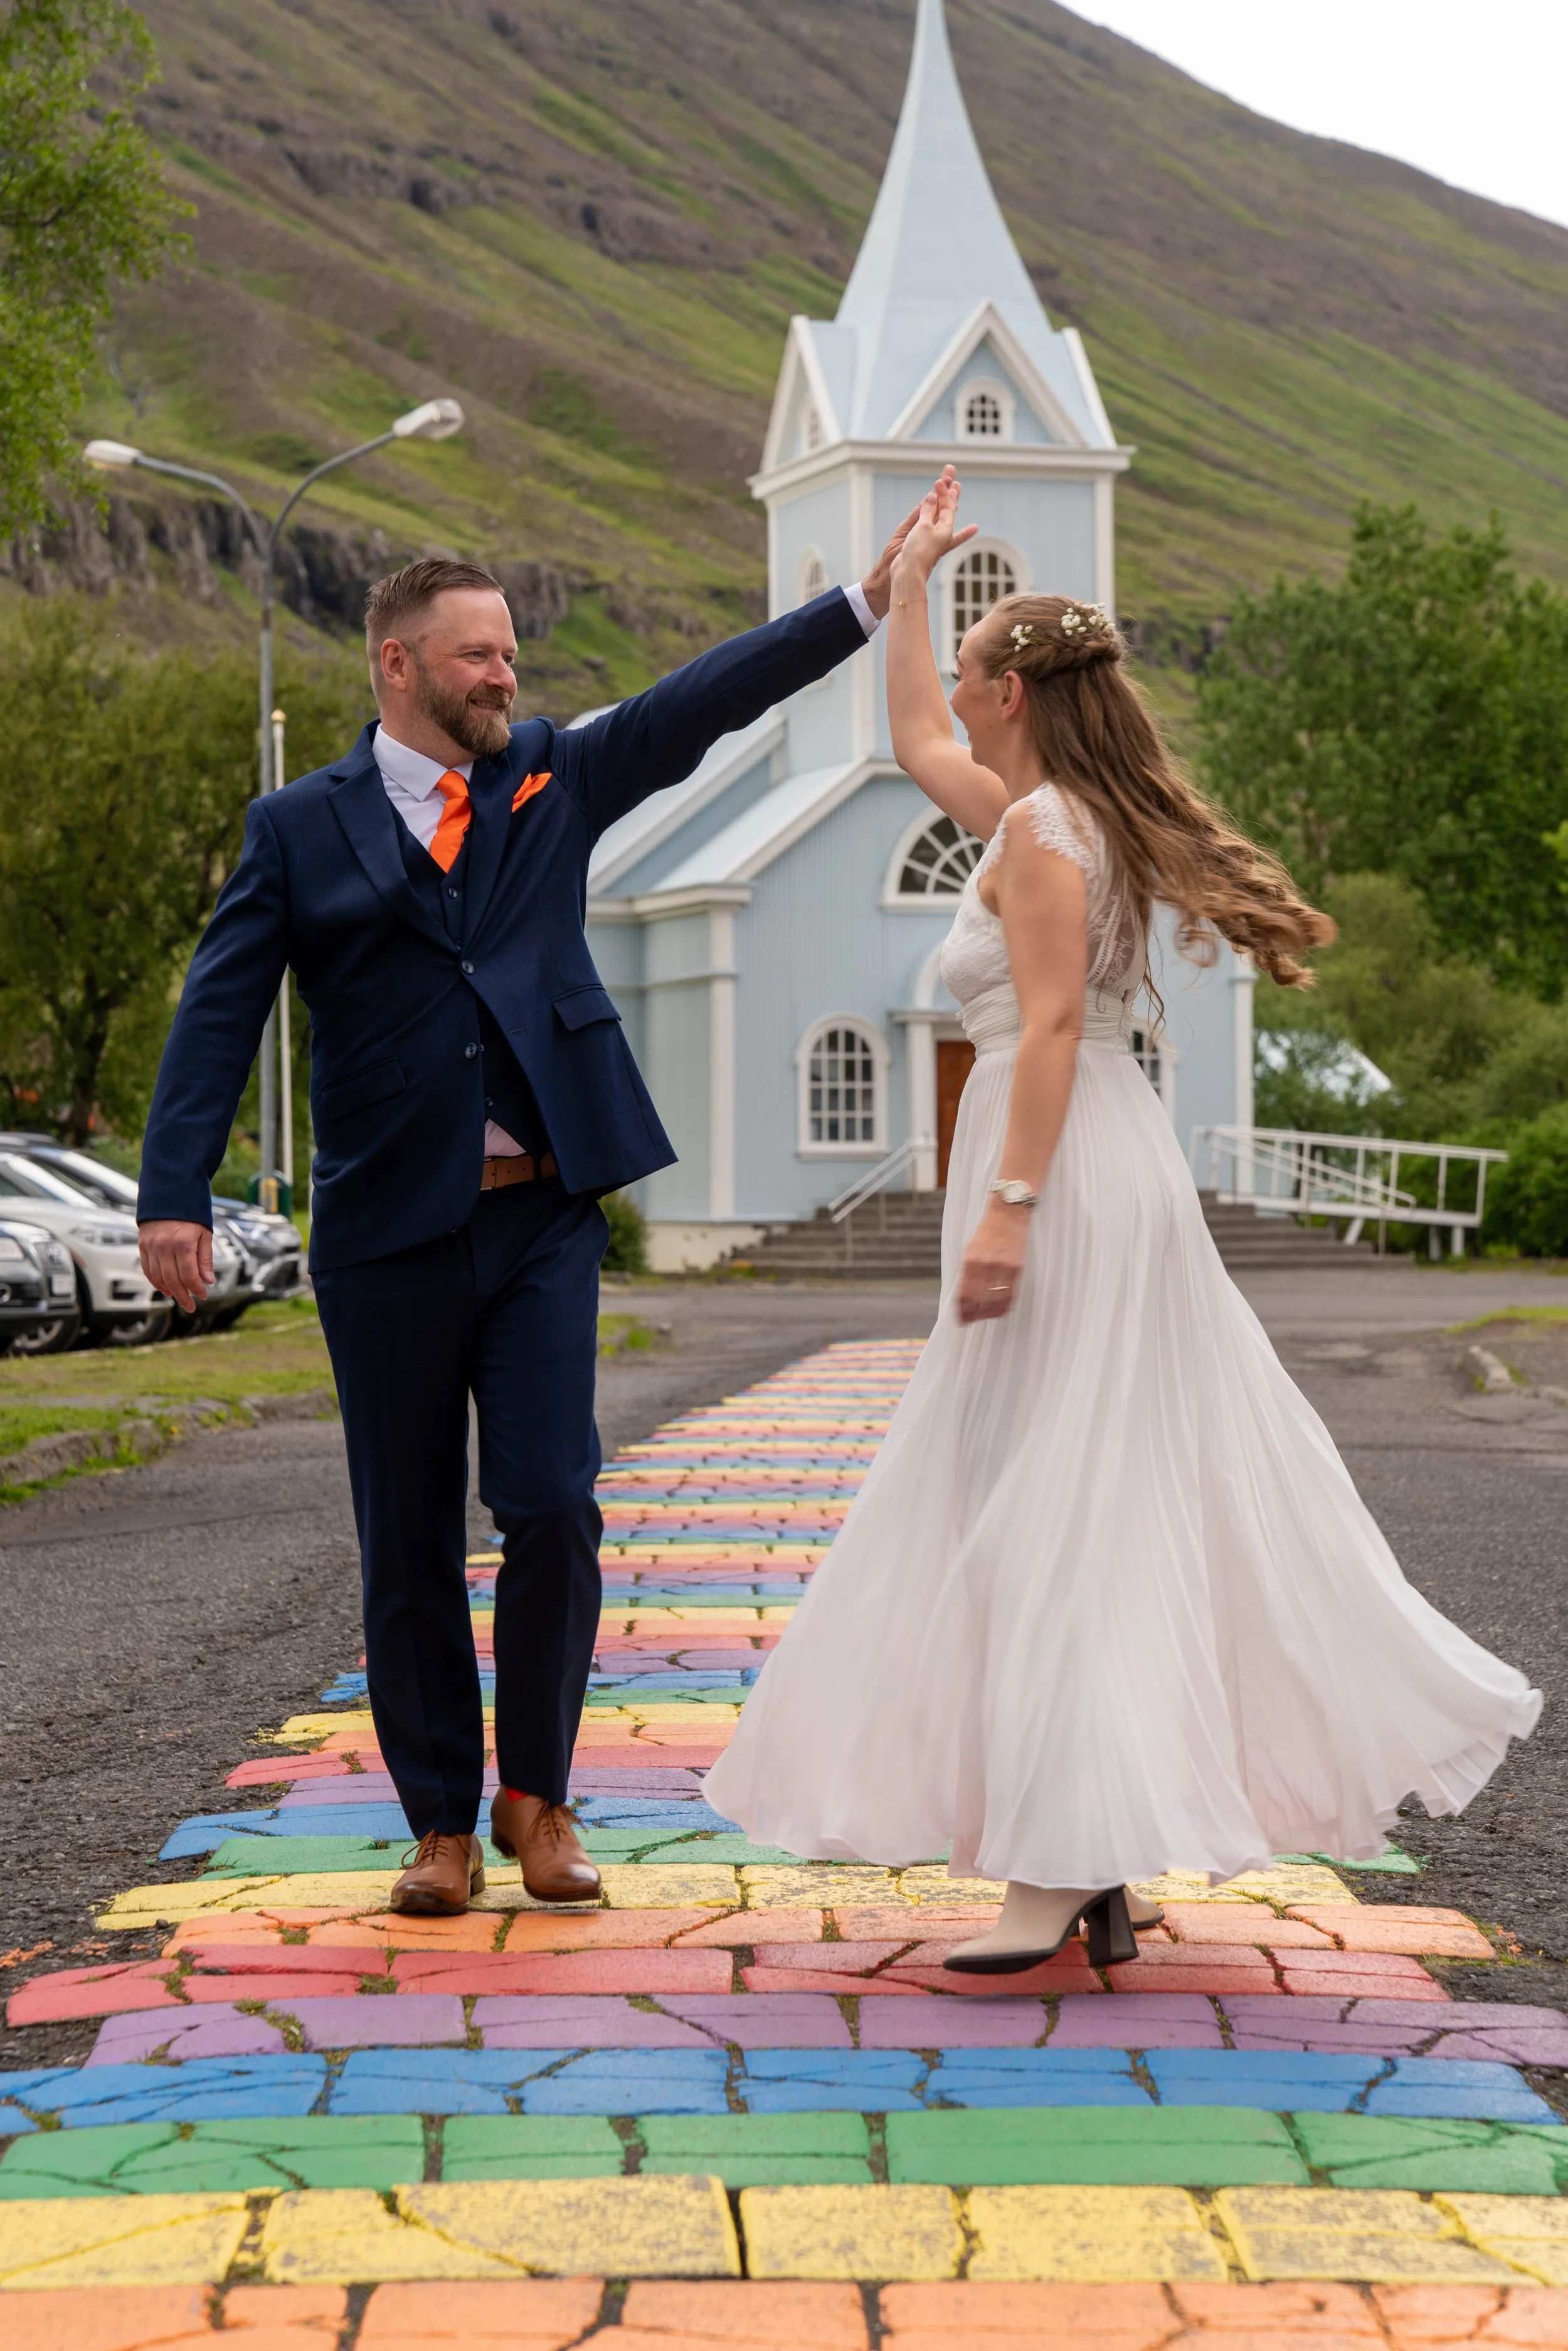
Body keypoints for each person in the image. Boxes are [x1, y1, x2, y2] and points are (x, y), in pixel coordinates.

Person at [706, 474, 1540, 1971]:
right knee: (1054, 1487)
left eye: (969, 674)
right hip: (1101, 1162)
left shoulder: (1040, 836)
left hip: (1068, 1172)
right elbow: (904, 736)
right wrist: (905, 591)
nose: (951, 701)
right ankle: (1084, 1859)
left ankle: (1066, 1853)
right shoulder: (1050, 810)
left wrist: (1009, 1211)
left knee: (1060, 1502)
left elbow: (1040, 1030)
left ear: (1012, 689)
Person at [136, 519, 931, 1917]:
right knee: (405, 1537)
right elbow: (218, 1014)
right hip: (384, 1228)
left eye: (510, 650)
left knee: (555, 1501)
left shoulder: (554, 775)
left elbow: (701, 698)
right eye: (476, 653)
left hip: (541, 1215)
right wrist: (171, 1193)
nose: (505, 673)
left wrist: (856, 608)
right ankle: (439, 1822)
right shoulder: (296, 827)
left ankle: (539, 1799)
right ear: (398, 665)